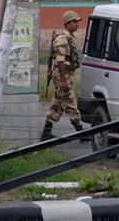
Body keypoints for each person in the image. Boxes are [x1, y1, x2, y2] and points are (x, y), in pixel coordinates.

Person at [41, 10, 84, 141]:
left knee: (58, 103)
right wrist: (64, 80)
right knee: (70, 102)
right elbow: (60, 61)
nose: (77, 24)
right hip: (62, 74)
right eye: (74, 22)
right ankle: (81, 132)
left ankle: (46, 132)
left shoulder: (69, 37)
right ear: (67, 23)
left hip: (66, 73)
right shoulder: (62, 39)